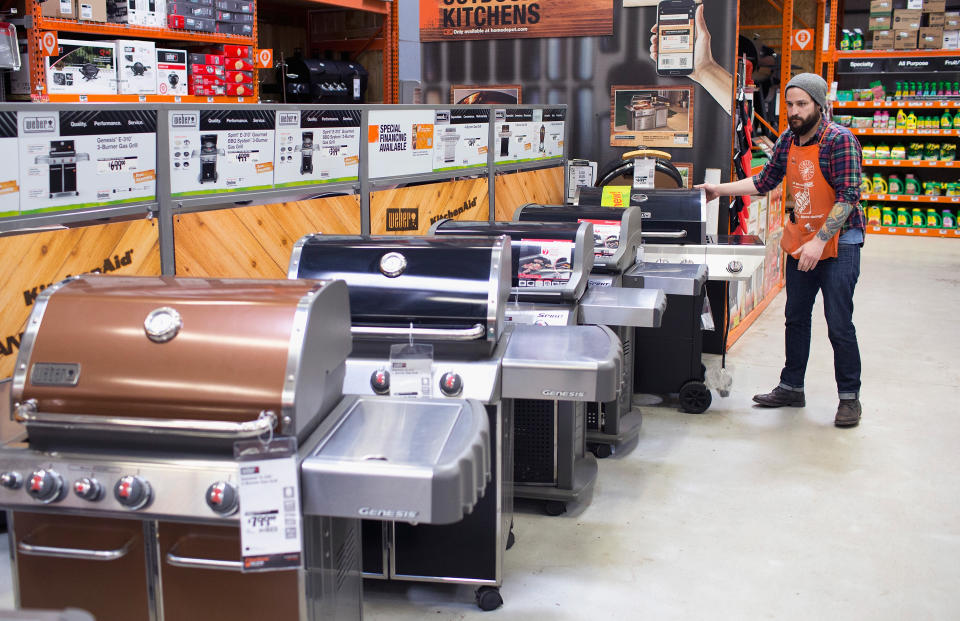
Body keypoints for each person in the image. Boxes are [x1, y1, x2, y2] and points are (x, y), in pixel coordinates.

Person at [696, 73, 865, 428]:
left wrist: (820, 241)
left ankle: (849, 398)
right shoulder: (789, 139)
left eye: (802, 104)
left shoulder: (840, 140)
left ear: (819, 104)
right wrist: (718, 190)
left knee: (838, 324)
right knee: (796, 318)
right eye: (790, 104)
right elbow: (765, 181)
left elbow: (850, 196)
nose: (794, 111)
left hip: (840, 241)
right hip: (802, 239)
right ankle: (792, 387)